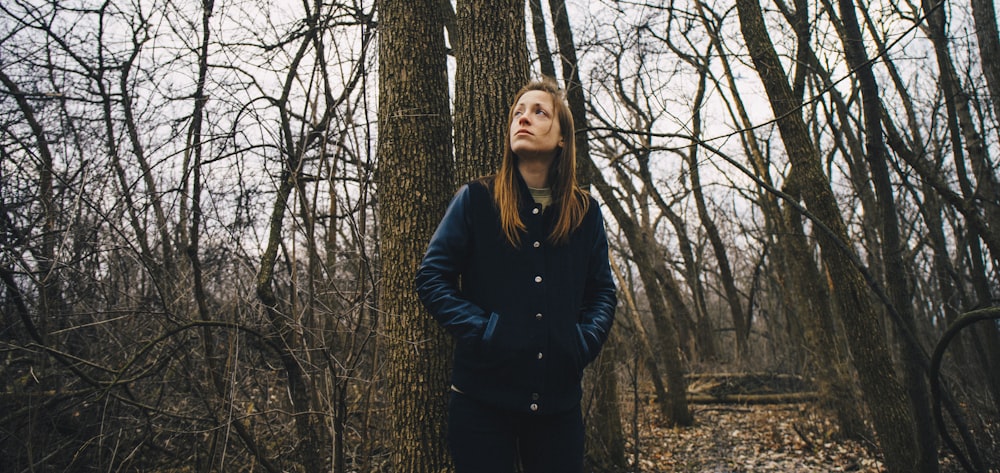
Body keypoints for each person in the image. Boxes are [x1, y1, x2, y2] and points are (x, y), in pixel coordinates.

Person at [414, 79, 617, 473]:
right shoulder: (476, 200)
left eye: (540, 111)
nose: (524, 117)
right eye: (518, 112)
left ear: (562, 138)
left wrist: (583, 341)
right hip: (482, 403)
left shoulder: (585, 213)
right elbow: (431, 278)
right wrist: (485, 330)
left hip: (559, 406)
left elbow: (602, 292)